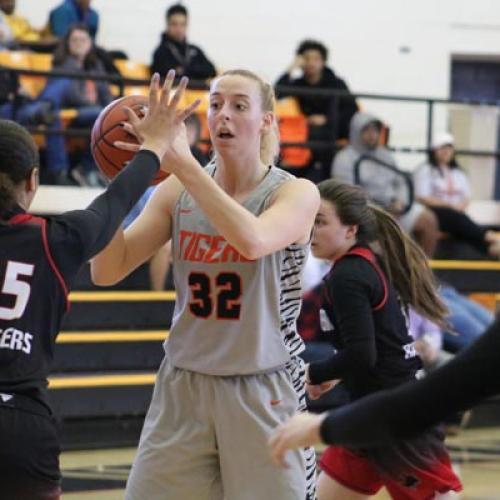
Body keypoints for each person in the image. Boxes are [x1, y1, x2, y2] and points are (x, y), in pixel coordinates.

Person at [91, 69, 320, 500]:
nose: (223, 116)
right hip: (184, 385)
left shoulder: (294, 193)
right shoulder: (176, 190)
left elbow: (252, 240)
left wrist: (183, 163)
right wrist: (120, 179)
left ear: (267, 121)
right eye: (215, 105)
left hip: (263, 386)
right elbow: (108, 270)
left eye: (238, 105)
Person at [0, 72, 199, 498]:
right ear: (33, 181)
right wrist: (153, 147)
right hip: (20, 427)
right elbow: (112, 206)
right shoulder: (54, 238)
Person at [272, 180, 461, 499]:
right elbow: (367, 348)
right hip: (367, 413)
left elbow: (363, 355)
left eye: (320, 222)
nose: (311, 230)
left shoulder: (348, 276)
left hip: (395, 418)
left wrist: (313, 373)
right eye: (310, 220)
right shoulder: (357, 266)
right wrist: (336, 373)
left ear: (350, 230)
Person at [269, 314, 500, 470]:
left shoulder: (352, 275)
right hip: (372, 420)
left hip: (392, 420)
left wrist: (322, 426)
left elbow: (427, 401)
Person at [332, 111, 440, 257]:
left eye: (376, 130)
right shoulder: (344, 158)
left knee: (428, 220)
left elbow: (400, 181)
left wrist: (400, 202)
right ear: (356, 132)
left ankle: (423, 269)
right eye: (367, 130)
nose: (373, 134)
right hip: (368, 212)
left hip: (395, 208)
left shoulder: (385, 155)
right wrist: (382, 209)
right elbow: (347, 195)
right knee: (382, 233)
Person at [38, 24, 113, 186]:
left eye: (83, 39)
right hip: (69, 113)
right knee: (99, 114)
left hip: (92, 114)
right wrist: (98, 107)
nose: (79, 43)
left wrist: (111, 109)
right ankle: (76, 171)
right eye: (74, 40)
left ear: (90, 43)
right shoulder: (62, 65)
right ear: (68, 44)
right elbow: (72, 96)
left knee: (108, 117)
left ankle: (89, 168)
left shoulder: (96, 66)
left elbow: (106, 93)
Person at [276, 39, 358, 181]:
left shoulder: (336, 83)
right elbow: (277, 92)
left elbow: (352, 110)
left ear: (323, 61)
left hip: (334, 131)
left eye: (316, 59)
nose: (311, 63)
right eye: (306, 59)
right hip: (309, 134)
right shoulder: (299, 83)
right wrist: (292, 67)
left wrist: (326, 119)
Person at [414, 132, 500, 258]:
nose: (446, 152)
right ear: (434, 151)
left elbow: (466, 197)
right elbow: (422, 197)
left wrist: (458, 207)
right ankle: (490, 237)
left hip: (456, 215)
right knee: (456, 218)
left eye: (449, 148)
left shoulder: (459, 173)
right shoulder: (425, 170)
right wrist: (449, 206)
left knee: (461, 223)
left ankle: (492, 249)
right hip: (434, 214)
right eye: (442, 148)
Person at [151, 3, 217, 81]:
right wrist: (196, 72)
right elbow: (161, 74)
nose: (179, 29)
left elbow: (211, 71)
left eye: (183, 24)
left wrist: (183, 70)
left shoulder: (195, 50)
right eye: (174, 24)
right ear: (167, 25)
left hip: (197, 92)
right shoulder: (160, 52)